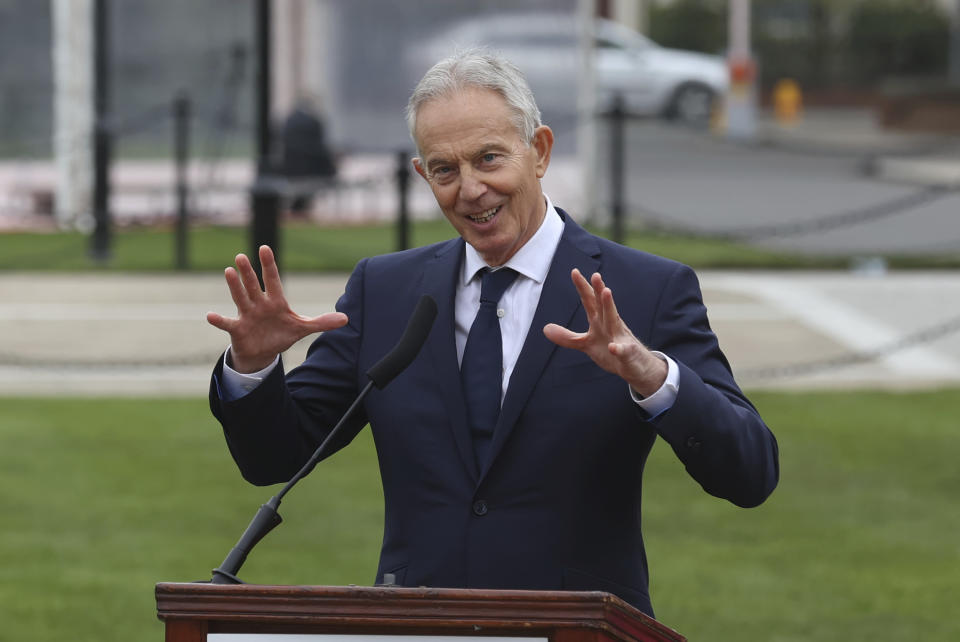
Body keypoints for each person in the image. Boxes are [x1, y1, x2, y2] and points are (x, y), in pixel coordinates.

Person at [207, 50, 778, 619]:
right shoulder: (384, 291)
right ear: (421, 174)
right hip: (421, 628)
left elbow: (750, 473)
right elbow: (275, 458)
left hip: (580, 627)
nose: (471, 190)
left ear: (540, 152)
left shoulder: (646, 289)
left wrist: (654, 379)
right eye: (445, 170)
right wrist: (252, 368)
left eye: (489, 159)